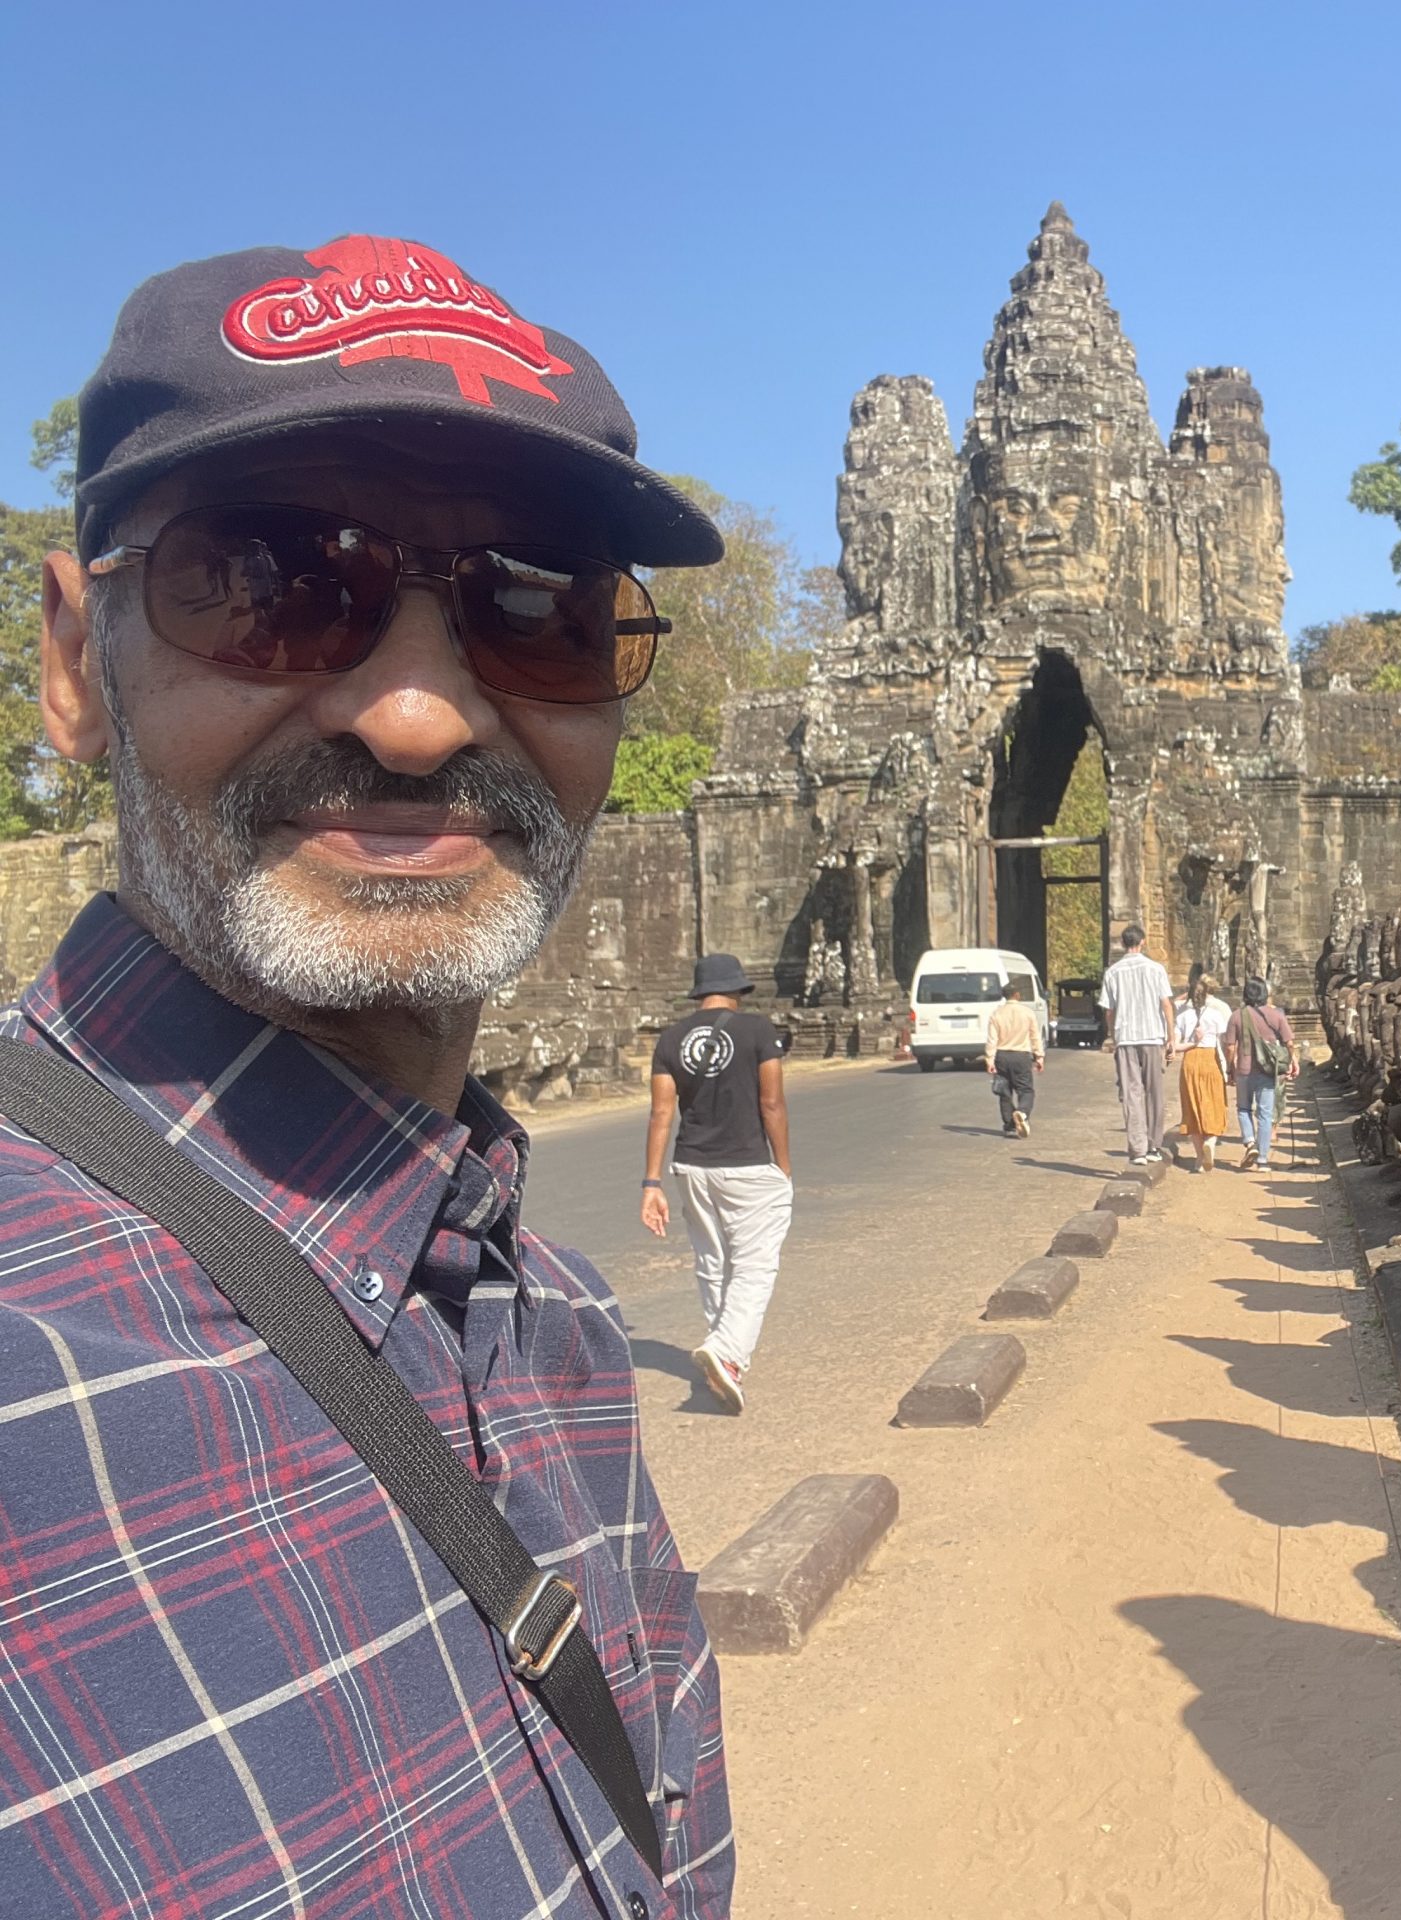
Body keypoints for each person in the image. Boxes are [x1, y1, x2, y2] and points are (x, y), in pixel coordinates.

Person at [13, 237, 731, 1915]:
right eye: (268, 579)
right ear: (73, 664)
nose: (418, 716)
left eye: (534, 606)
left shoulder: (556, 1323)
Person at [642, 952, 792, 1412]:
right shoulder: (758, 1031)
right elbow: (772, 1104)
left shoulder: (671, 1039)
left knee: (711, 1261)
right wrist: (783, 1166)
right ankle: (726, 1353)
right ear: (738, 991)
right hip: (747, 1164)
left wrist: (651, 1183)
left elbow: (661, 1113)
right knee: (754, 1265)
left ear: (700, 993)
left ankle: (722, 1355)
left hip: (691, 1165)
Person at [1098, 922, 1173, 1164]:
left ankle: (1138, 1149)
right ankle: (1153, 1146)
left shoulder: (1113, 972)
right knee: (1154, 1093)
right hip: (1152, 1036)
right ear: (1143, 942)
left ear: (1122, 943)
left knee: (1131, 1094)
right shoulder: (1156, 969)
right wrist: (1171, 1036)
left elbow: (1109, 1010)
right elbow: (1166, 1004)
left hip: (1126, 1037)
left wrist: (1113, 1035)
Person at [1226, 975, 1299, 1171]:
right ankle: (1263, 1160)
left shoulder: (1236, 1016)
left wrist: (1230, 1068)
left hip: (1244, 1069)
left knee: (1243, 1108)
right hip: (1268, 1070)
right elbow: (1289, 1043)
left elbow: (1230, 1047)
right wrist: (1292, 1061)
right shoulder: (1276, 1015)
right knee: (1265, 1114)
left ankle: (1250, 1142)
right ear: (1265, 994)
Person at [1174, 973, 1235, 1173]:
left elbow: (1174, 1046)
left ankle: (1200, 1158)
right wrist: (1229, 1066)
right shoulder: (1216, 1014)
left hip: (1190, 1061)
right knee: (1214, 1103)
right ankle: (1210, 1141)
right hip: (1211, 1059)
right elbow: (1226, 1042)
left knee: (1192, 1107)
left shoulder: (1182, 1016)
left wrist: (1192, 1042)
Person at [983, 974, 1044, 1137]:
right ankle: (1022, 1112)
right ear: (1017, 995)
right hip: (1021, 1056)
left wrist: (989, 1060)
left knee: (1004, 1092)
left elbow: (992, 1039)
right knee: (1026, 1090)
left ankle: (1009, 1126)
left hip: (1002, 1056)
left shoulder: (996, 1014)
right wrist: (1039, 1056)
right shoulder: (1027, 1013)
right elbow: (1035, 1036)